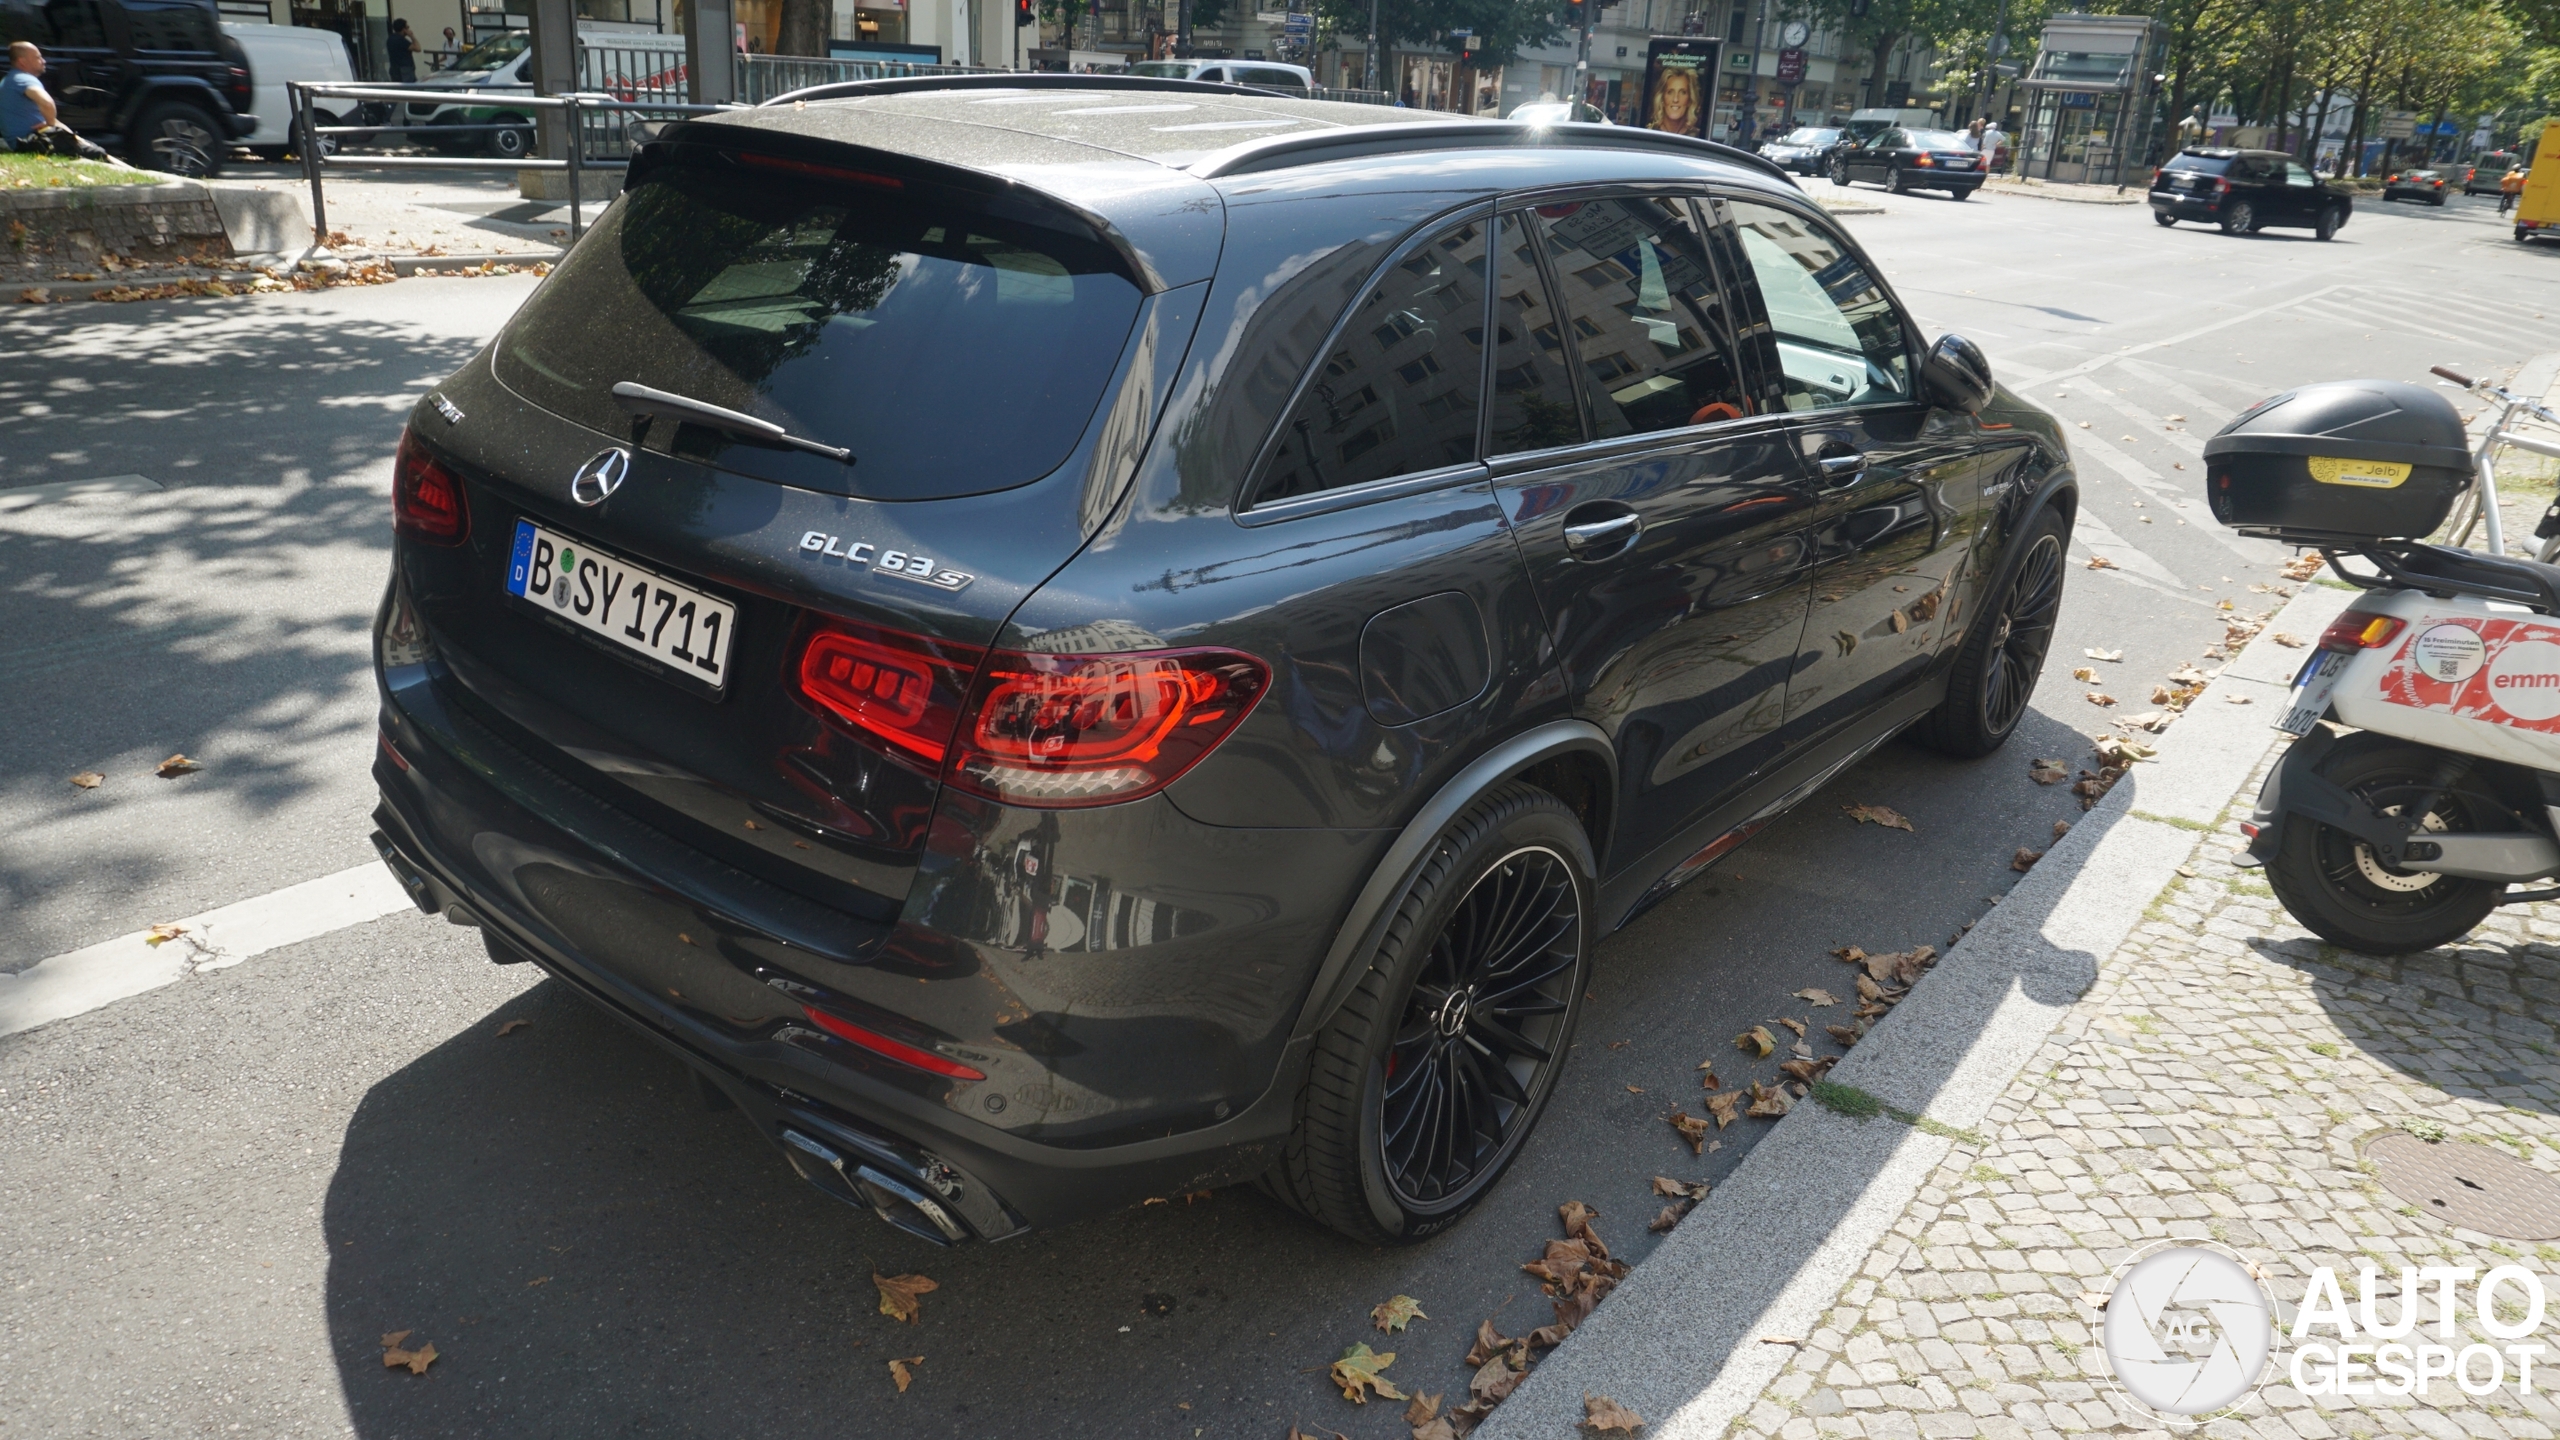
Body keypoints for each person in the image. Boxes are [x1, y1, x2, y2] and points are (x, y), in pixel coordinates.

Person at [2, 42, 111, 161]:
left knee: (87, 146)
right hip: (33, 143)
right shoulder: (23, 79)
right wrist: (50, 125)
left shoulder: (9, 80)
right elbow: (46, 102)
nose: (43, 61)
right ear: (22, 61)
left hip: (23, 142)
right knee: (97, 153)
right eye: (38, 57)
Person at [387, 18, 417, 83]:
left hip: (394, 69)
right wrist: (412, 36)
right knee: (409, 89)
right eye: (407, 27)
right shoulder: (401, 40)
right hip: (405, 70)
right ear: (404, 29)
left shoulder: (390, 39)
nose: (408, 29)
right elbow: (417, 48)